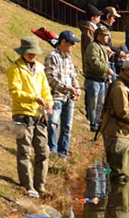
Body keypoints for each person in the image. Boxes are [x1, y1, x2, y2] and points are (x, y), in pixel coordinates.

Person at [7, 35, 53, 198]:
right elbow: (15, 93)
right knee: (24, 151)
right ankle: (27, 185)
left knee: (43, 150)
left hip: (39, 114)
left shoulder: (40, 68)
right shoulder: (15, 68)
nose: (32, 55)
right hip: (22, 114)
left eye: (34, 52)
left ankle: (40, 185)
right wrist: (34, 98)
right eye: (29, 52)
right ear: (23, 52)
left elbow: (46, 89)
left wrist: (49, 104)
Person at [44, 30, 80, 159]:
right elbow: (50, 79)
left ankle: (63, 154)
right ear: (63, 42)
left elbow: (74, 76)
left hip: (69, 98)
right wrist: (67, 88)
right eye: (71, 43)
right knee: (53, 123)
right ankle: (52, 152)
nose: (73, 46)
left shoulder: (69, 59)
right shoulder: (51, 56)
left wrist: (77, 90)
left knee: (67, 127)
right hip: (56, 97)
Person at [83, 24, 113, 133]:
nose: (107, 38)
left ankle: (98, 122)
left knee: (100, 103)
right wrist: (107, 70)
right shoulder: (93, 46)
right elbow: (95, 63)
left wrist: (107, 76)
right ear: (99, 36)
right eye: (105, 35)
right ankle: (93, 124)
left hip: (101, 80)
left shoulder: (100, 46)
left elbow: (103, 63)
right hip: (93, 80)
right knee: (93, 103)